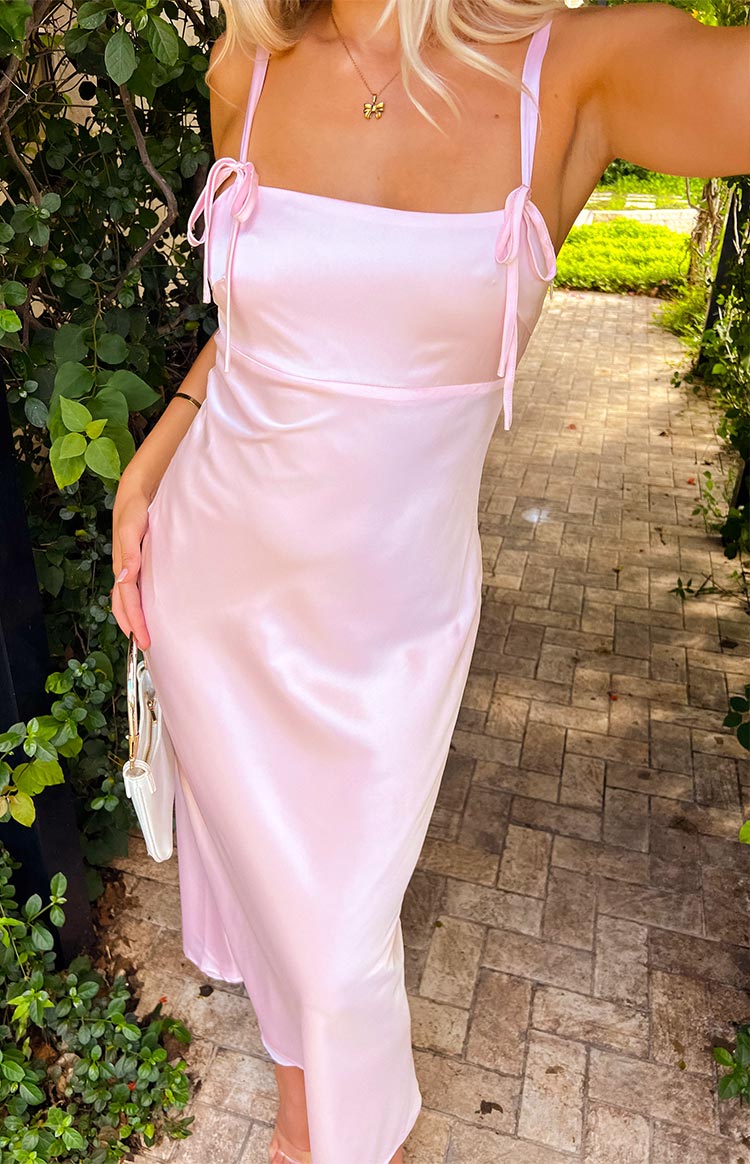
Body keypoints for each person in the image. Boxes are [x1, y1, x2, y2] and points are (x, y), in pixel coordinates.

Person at [110, 2, 749, 1162]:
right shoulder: (249, 62)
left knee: (341, 952)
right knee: (308, 960)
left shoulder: (580, 69)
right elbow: (267, 321)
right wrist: (153, 458)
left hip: (386, 646)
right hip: (214, 588)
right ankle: (306, 1129)